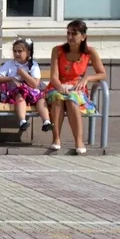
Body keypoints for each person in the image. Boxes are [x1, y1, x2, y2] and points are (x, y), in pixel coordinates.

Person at [46, 19, 107, 155]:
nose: (70, 37)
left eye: (74, 34)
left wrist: (86, 78)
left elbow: (102, 74)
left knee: (72, 99)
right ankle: (56, 138)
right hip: (57, 87)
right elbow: (54, 77)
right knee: (58, 98)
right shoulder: (58, 50)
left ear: (83, 37)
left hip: (76, 89)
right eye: (68, 33)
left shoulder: (90, 52)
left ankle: (79, 141)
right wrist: (60, 87)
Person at [0, 37, 51, 133]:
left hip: (32, 92)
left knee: (41, 99)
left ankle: (46, 121)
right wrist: (11, 78)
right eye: (15, 51)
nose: (16, 54)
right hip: (15, 93)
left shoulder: (33, 65)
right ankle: (22, 121)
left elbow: (35, 84)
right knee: (20, 97)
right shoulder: (9, 64)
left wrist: (23, 74)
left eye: (20, 51)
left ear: (28, 53)